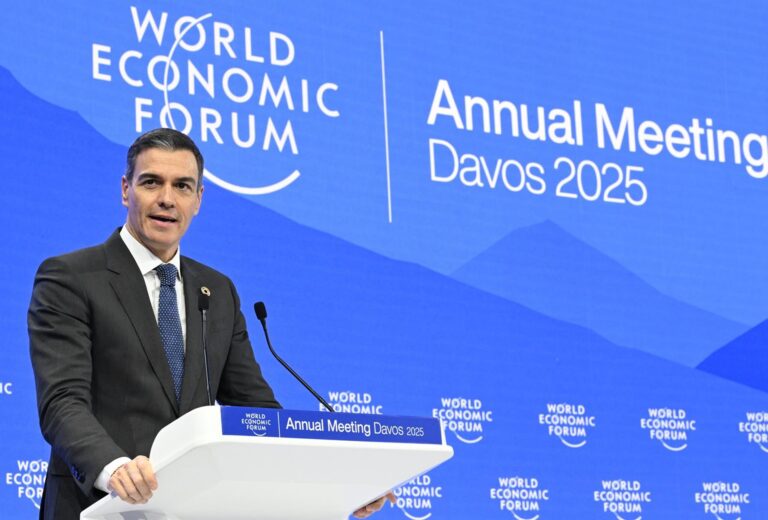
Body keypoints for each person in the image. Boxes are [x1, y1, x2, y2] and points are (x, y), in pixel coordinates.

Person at [28, 128, 393, 519]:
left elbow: (258, 413)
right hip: (98, 506)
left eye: (182, 186)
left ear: (198, 199)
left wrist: (335, 483)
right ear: (125, 189)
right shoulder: (72, 277)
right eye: (151, 182)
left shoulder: (216, 291)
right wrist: (114, 467)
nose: (167, 198)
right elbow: (63, 402)